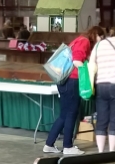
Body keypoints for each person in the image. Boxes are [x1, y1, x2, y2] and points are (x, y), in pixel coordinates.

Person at [42, 25, 102, 156]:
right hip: (72, 80)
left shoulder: (78, 40)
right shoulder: (85, 41)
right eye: (100, 37)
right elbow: (77, 61)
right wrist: (87, 74)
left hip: (64, 81)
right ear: (96, 35)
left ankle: (49, 144)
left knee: (64, 114)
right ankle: (68, 146)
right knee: (71, 113)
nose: (100, 40)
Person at [89, 28, 115, 152]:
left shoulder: (99, 45)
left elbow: (92, 64)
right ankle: (112, 151)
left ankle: (100, 151)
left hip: (101, 84)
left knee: (101, 119)